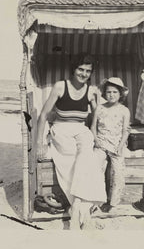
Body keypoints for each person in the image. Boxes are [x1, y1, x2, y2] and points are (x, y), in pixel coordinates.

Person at [36, 53, 107, 229]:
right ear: (73, 69)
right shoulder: (61, 86)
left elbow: (98, 117)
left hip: (81, 129)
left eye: (88, 71)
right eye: (80, 69)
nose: (83, 73)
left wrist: (95, 132)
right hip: (61, 128)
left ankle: (76, 208)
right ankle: (83, 212)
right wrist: (39, 142)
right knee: (69, 158)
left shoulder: (91, 91)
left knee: (87, 157)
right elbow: (44, 114)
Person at [91, 77, 130, 212]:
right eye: (108, 92)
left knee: (118, 172)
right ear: (104, 94)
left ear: (120, 94)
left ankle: (113, 202)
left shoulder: (124, 110)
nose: (111, 95)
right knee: (96, 168)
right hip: (101, 143)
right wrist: (96, 140)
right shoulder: (100, 108)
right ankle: (97, 201)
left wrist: (120, 147)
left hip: (116, 145)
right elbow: (93, 127)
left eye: (115, 92)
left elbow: (126, 131)